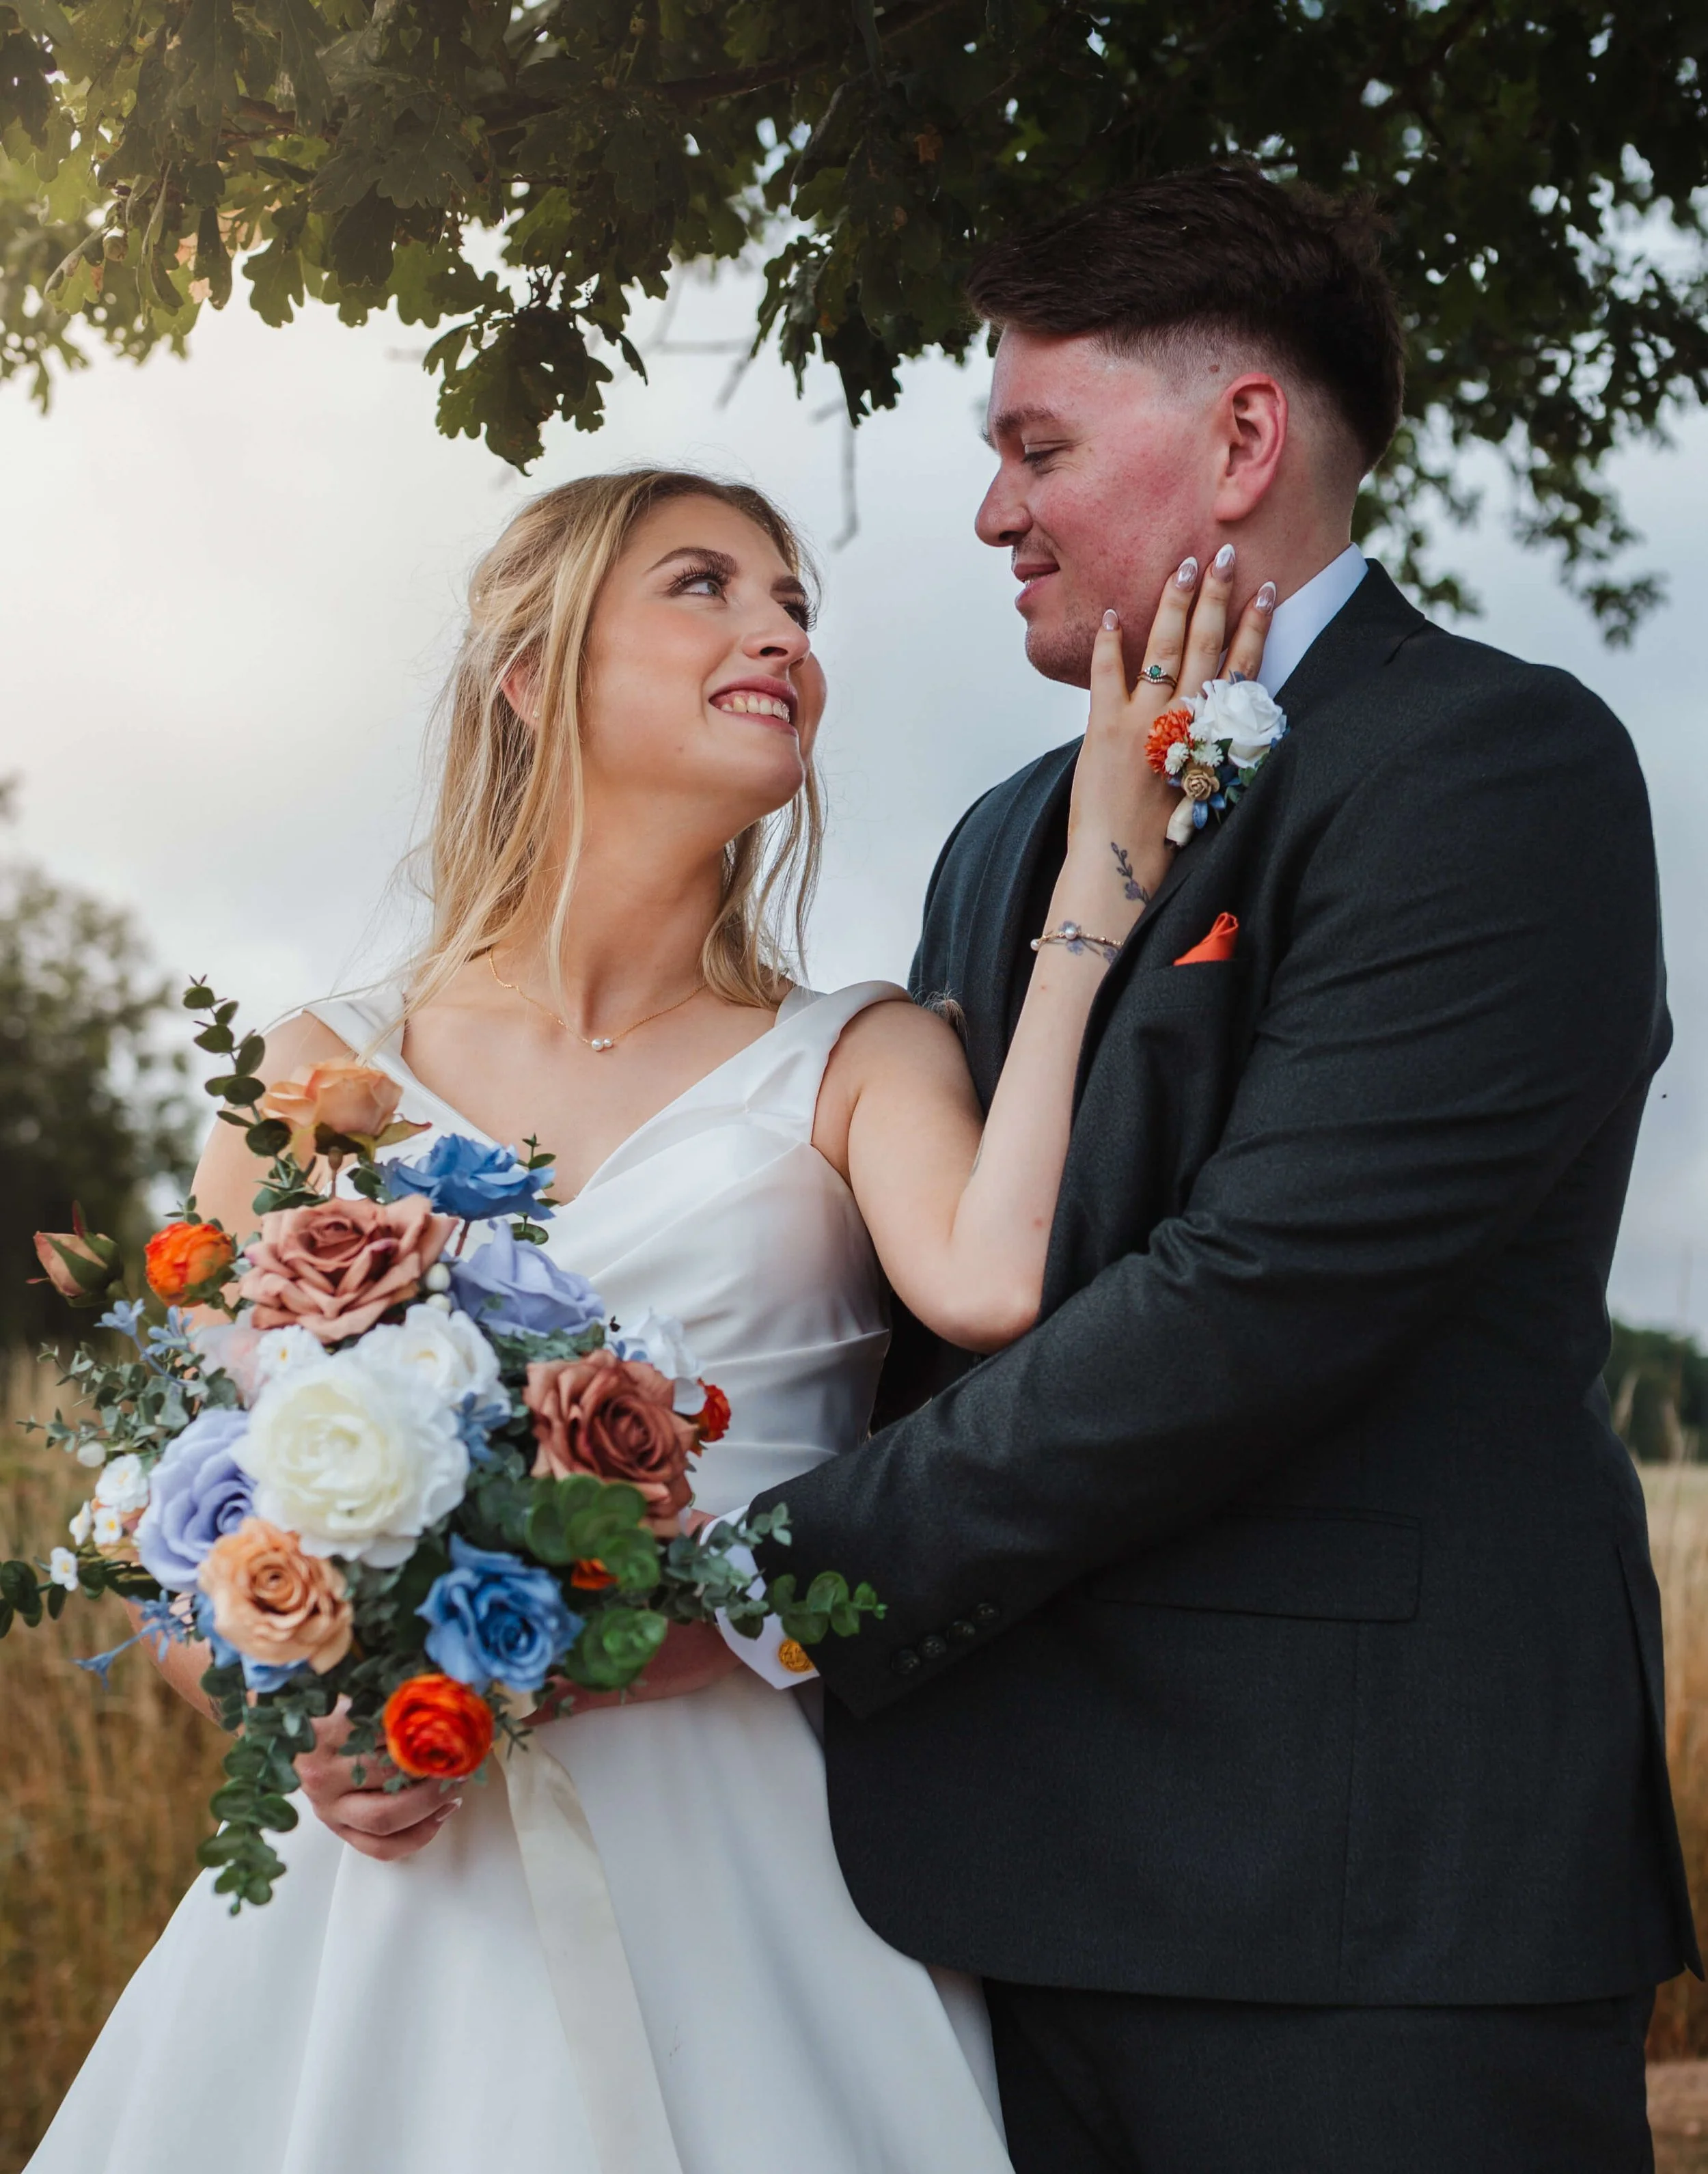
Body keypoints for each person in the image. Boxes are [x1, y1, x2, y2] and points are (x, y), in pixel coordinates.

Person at [26, 465, 1273, 2174]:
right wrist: (294, 1723)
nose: (777, 631)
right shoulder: (315, 1074)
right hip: (387, 1896)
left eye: (797, 607)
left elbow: (993, 1281)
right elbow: (170, 1518)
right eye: (705, 584)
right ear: (532, 674)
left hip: (751, 1876)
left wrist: (1096, 894)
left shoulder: (860, 1050)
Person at [706, 164, 1698, 2173]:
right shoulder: (1000, 834)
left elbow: (1251, 1299)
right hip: (986, 1887)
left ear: (1241, 437)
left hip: (1357, 1899)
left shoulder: (1492, 773)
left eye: (1035, 446)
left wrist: (761, 1585)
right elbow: (944, 1293)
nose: (990, 512)